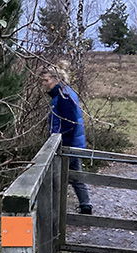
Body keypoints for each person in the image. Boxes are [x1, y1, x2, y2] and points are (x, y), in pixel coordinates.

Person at [40, 63, 93, 215]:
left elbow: (70, 124)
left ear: (56, 79)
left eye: (46, 80)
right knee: (76, 176)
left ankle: (53, 211)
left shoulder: (64, 97)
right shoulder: (63, 93)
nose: (44, 84)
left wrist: (59, 144)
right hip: (73, 143)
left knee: (54, 178)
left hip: (68, 145)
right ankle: (85, 205)